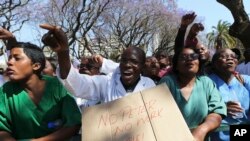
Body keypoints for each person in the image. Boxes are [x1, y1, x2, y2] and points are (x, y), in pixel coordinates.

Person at [40, 24, 155, 103]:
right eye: (124, 60)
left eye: (134, 62)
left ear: (142, 66)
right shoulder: (106, 83)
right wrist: (63, 52)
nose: (127, 65)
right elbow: (76, 83)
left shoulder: (150, 85)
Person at [0, 42, 81, 140]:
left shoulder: (57, 86)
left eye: (17, 58)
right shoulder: (5, 91)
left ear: (36, 66)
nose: (10, 62)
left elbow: (74, 123)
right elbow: (2, 130)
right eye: (9, 58)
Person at [159, 47, 226, 141]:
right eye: (183, 57)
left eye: (193, 56)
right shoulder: (167, 82)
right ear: (176, 65)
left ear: (198, 62)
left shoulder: (206, 83)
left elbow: (217, 112)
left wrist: (201, 131)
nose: (189, 59)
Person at [209, 48, 250, 141]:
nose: (229, 59)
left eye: (233, 56)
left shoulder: (246, 80)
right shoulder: (207, 83)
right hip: (217, 135)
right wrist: (222, 108)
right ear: (214, 63)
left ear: (236, 62)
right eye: (223, 56)